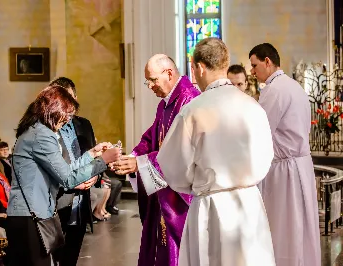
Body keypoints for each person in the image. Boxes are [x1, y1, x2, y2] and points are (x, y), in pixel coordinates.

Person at [156, 37, 275, 266]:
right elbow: (266, 157)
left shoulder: (193, 111)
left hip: (211, 208)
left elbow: (174, 169)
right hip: (249, 204)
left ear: (200, 67)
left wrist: (199, 184)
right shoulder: (253, 107)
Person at [6, 85, 121, 266]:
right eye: (67, 114)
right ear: (54, 109)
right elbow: (67, 179)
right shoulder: (42, 135)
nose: (68, 120)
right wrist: (103, 161)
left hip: (31, 213)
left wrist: (91, 154)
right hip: (29, 216)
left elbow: (64, 168)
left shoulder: (38, 130)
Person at [113, 54, 200, 266]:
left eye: (152, 80)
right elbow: (152, 138)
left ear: (169, 73)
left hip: (179, 195)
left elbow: (181, 150)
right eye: (148, 81)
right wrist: (132, 157)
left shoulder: (189, 99)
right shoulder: (165, 104)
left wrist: (141, 164)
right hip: (163, 190)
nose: (149, 86)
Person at [249, 43, 321, 266]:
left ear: (268, 62)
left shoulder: (274, 90)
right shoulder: (293, 86)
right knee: (299, 229)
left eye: (254, 65)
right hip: (300, 165)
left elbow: (260, 131)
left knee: (283, 230)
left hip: (284, 170)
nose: (252, 71)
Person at [49, 77, 109, 265]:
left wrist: (95, 175)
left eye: (70, 98)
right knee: (54, 257)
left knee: (72, 255)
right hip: (57, 202)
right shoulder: (48, 127)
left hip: (81, 202)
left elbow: (94, 156)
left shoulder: (84, 125)